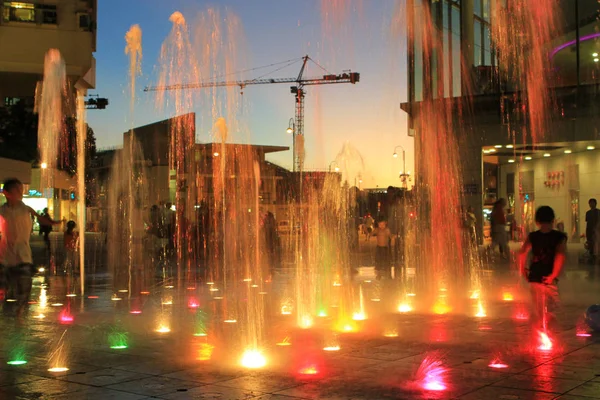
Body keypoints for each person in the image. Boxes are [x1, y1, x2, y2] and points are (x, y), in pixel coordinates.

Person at [0, 178, 60, 316]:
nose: (21, 192)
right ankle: (8, 314)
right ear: (7, 193)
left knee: (24, 288)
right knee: (6, 289)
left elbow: (40, 217)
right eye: (17, 190)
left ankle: (19, 315)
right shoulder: (2, 211)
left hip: (23, 256)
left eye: (21, 189)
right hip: (5, 257)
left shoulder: (25, 208)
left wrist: (53, 222)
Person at [518, 206, 567, 327]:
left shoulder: (533, 236)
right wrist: (553, 275)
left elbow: (522, 253)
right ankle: (548, 335)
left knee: (538, 309)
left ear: (537, 221)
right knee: (552, 308)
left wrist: (522, 270)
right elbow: (559, 257)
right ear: (553, 220)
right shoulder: (559, 237)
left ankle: (540, 332)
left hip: (534, 276)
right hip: (549, 278)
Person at [586, 199, 600, 263]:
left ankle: (597, 257)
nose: (591, 204)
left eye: (593, 203)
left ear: (595, 203)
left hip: (597, 230)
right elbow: (587, 222)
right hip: (590, 230)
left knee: (597, 243)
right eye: (590, 203)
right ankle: (592, 258)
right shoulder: (588, 213)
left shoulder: (598, 212)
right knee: (590, 243)